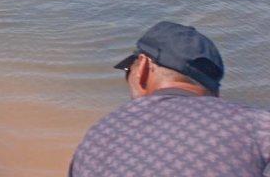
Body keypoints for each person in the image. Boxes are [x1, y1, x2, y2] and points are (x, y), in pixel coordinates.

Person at [70, 21, 270, 176]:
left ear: (144, 68)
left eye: (127, 70)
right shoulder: (256, 124)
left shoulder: (101, 135)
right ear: (214, 92)